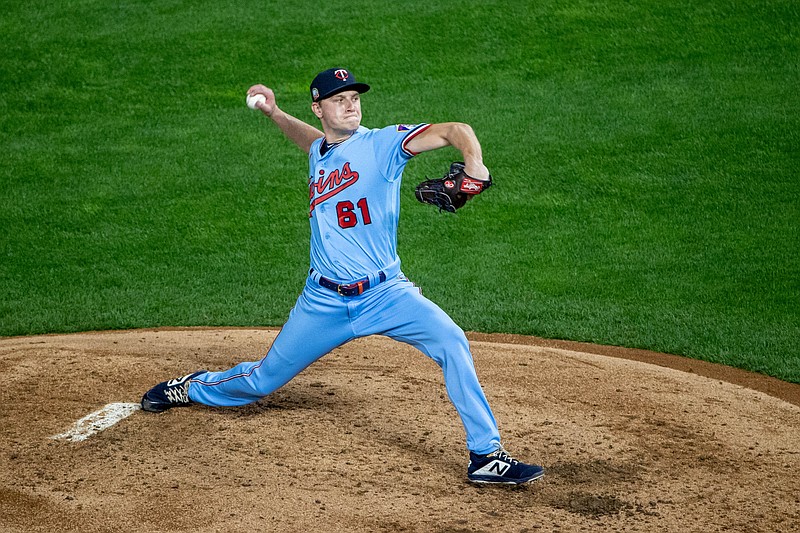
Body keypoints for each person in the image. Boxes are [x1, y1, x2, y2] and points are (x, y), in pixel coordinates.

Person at [141, 67, 544, 485]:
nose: (351, 105)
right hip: (324, 303)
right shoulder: (322, 151)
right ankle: (190, 387)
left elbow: (455, 130)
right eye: (339, 99)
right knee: (262, 380)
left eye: (354, 97)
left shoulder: (384, 144)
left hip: (387, 294)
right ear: (318, 108)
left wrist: (474, 165)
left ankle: (486, 455)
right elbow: (313, 143)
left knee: (451, 341)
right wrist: (275, 114)